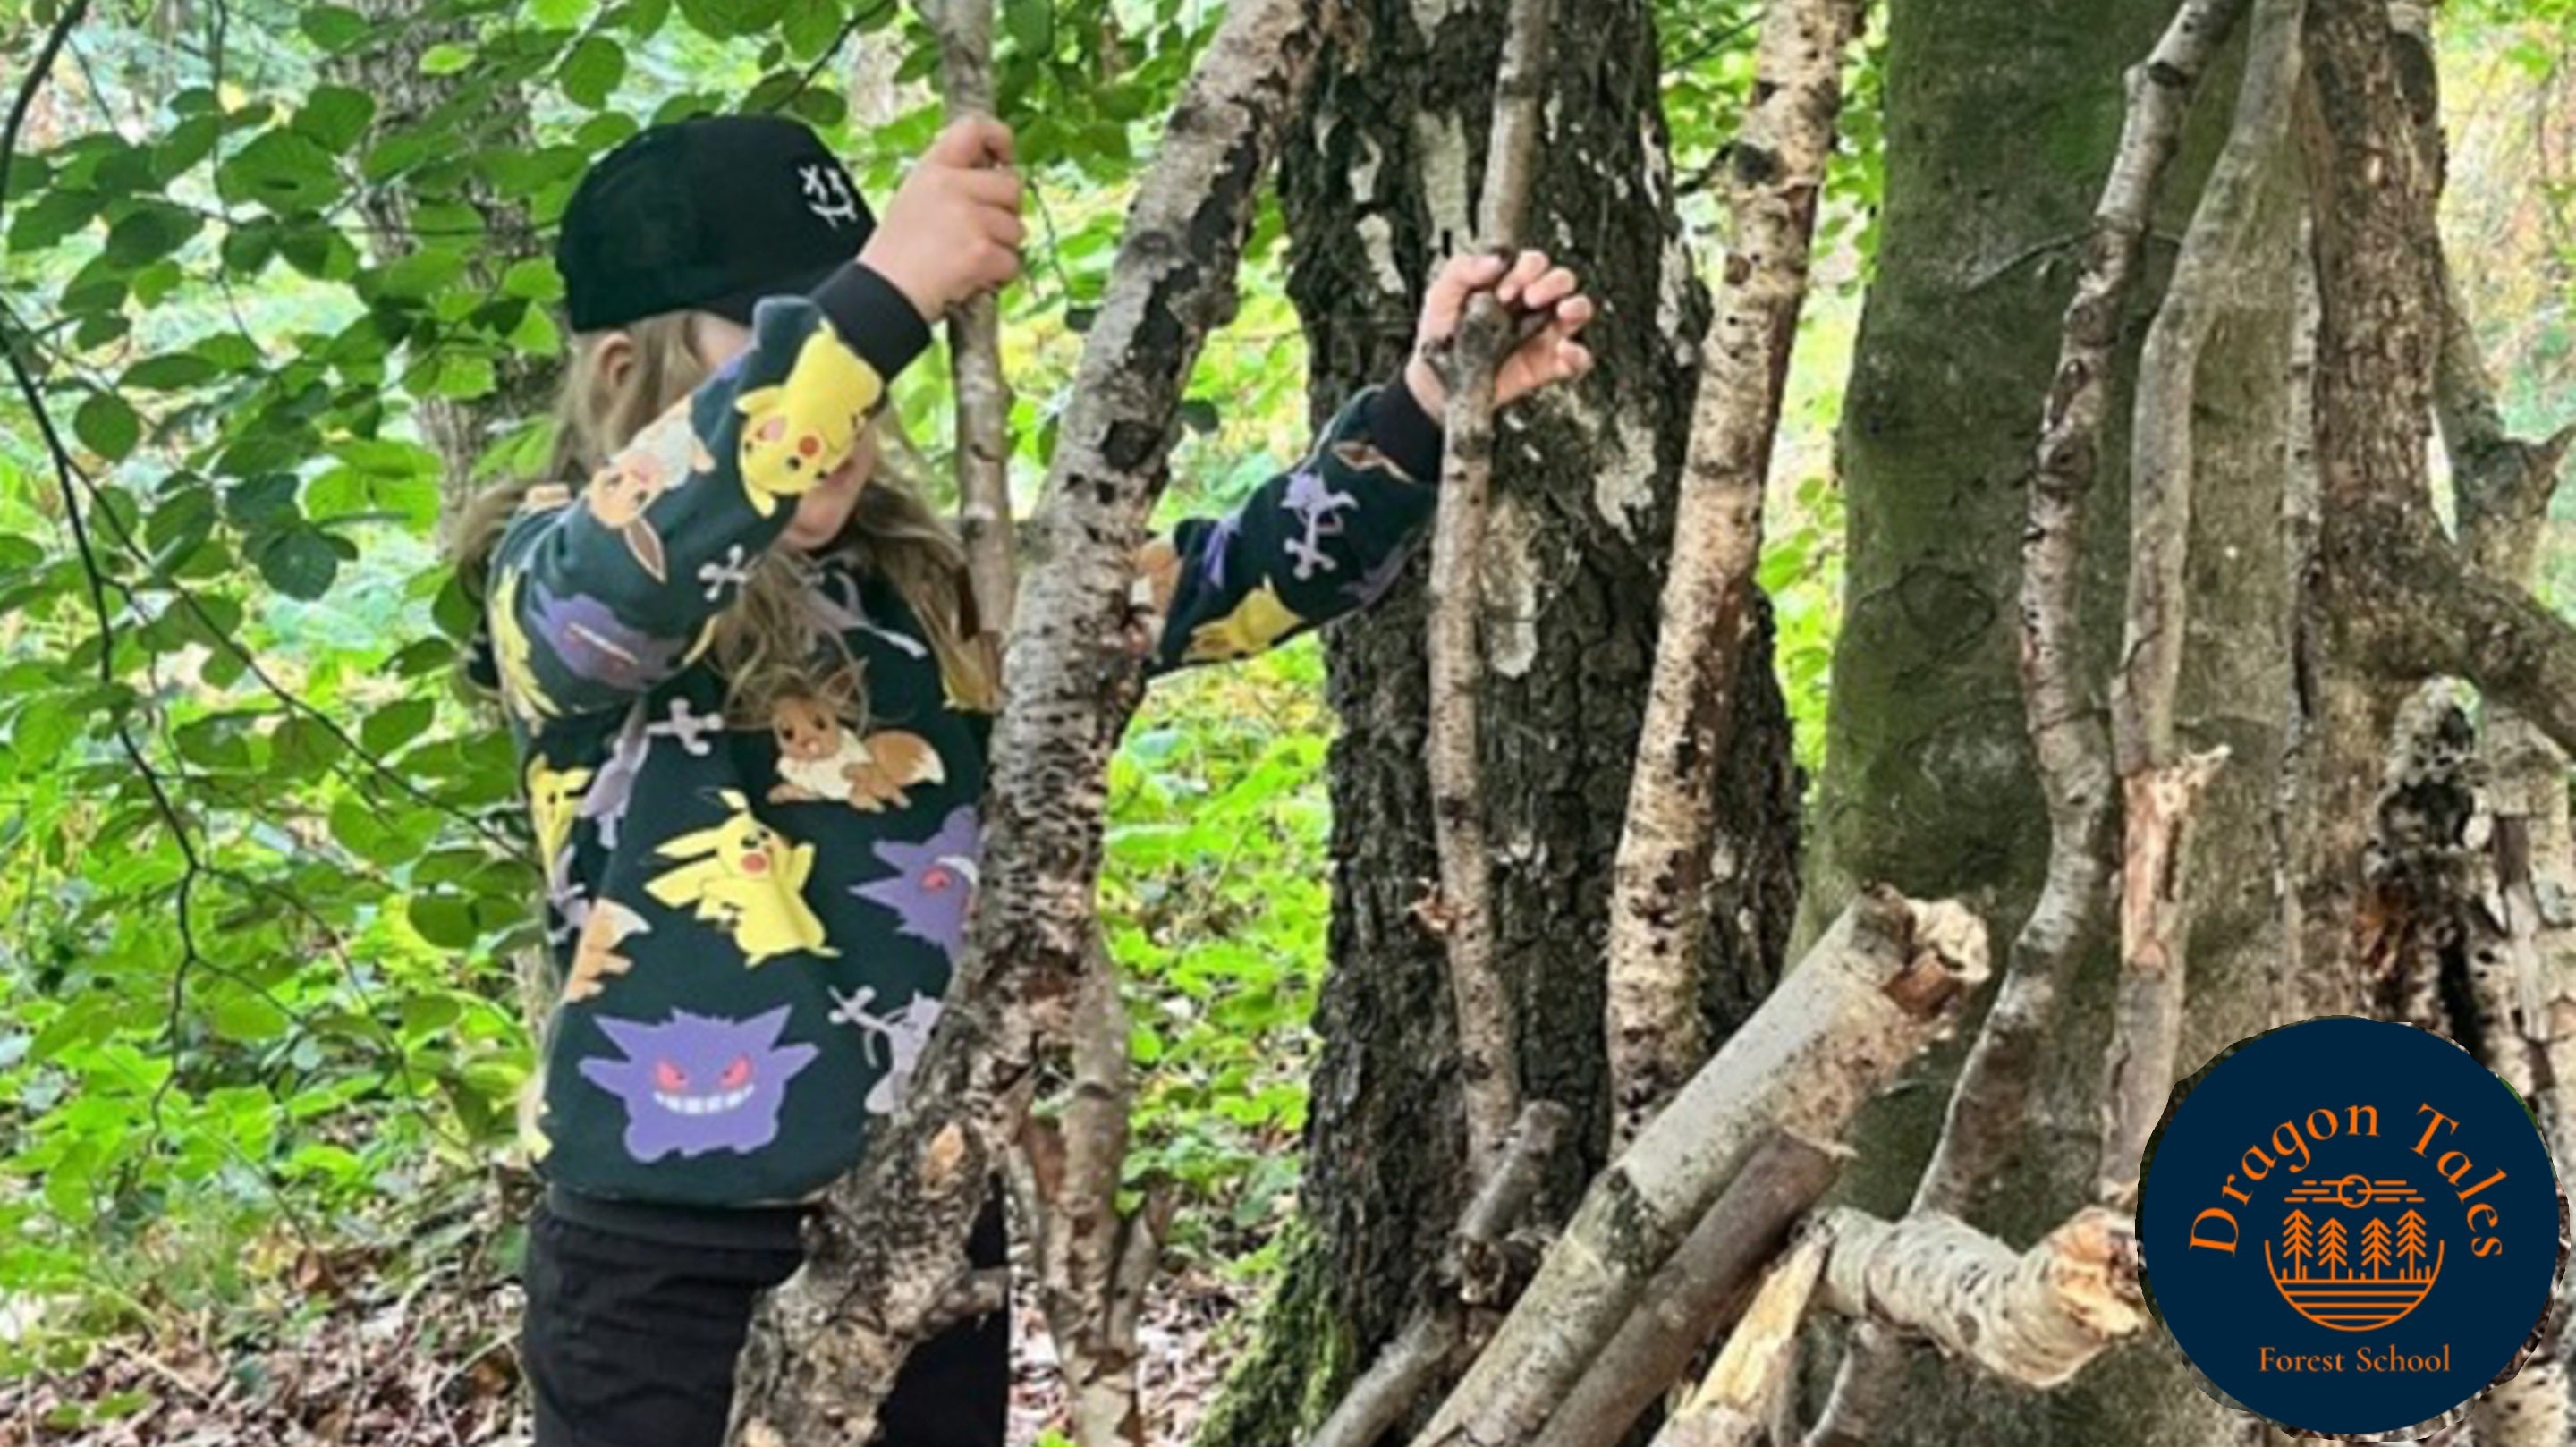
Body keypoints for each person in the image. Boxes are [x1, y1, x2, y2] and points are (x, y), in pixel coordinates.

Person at [453, 109, 1595, 1447]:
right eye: (799, 334)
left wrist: (1419, 409)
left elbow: (1225, 584)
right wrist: (882, 294)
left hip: (926, 1222)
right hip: (663, 1268)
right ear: (619, 372)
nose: (857, 389)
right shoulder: (553, 583)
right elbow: (628, 571)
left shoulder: (937, 593)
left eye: (877, 354)